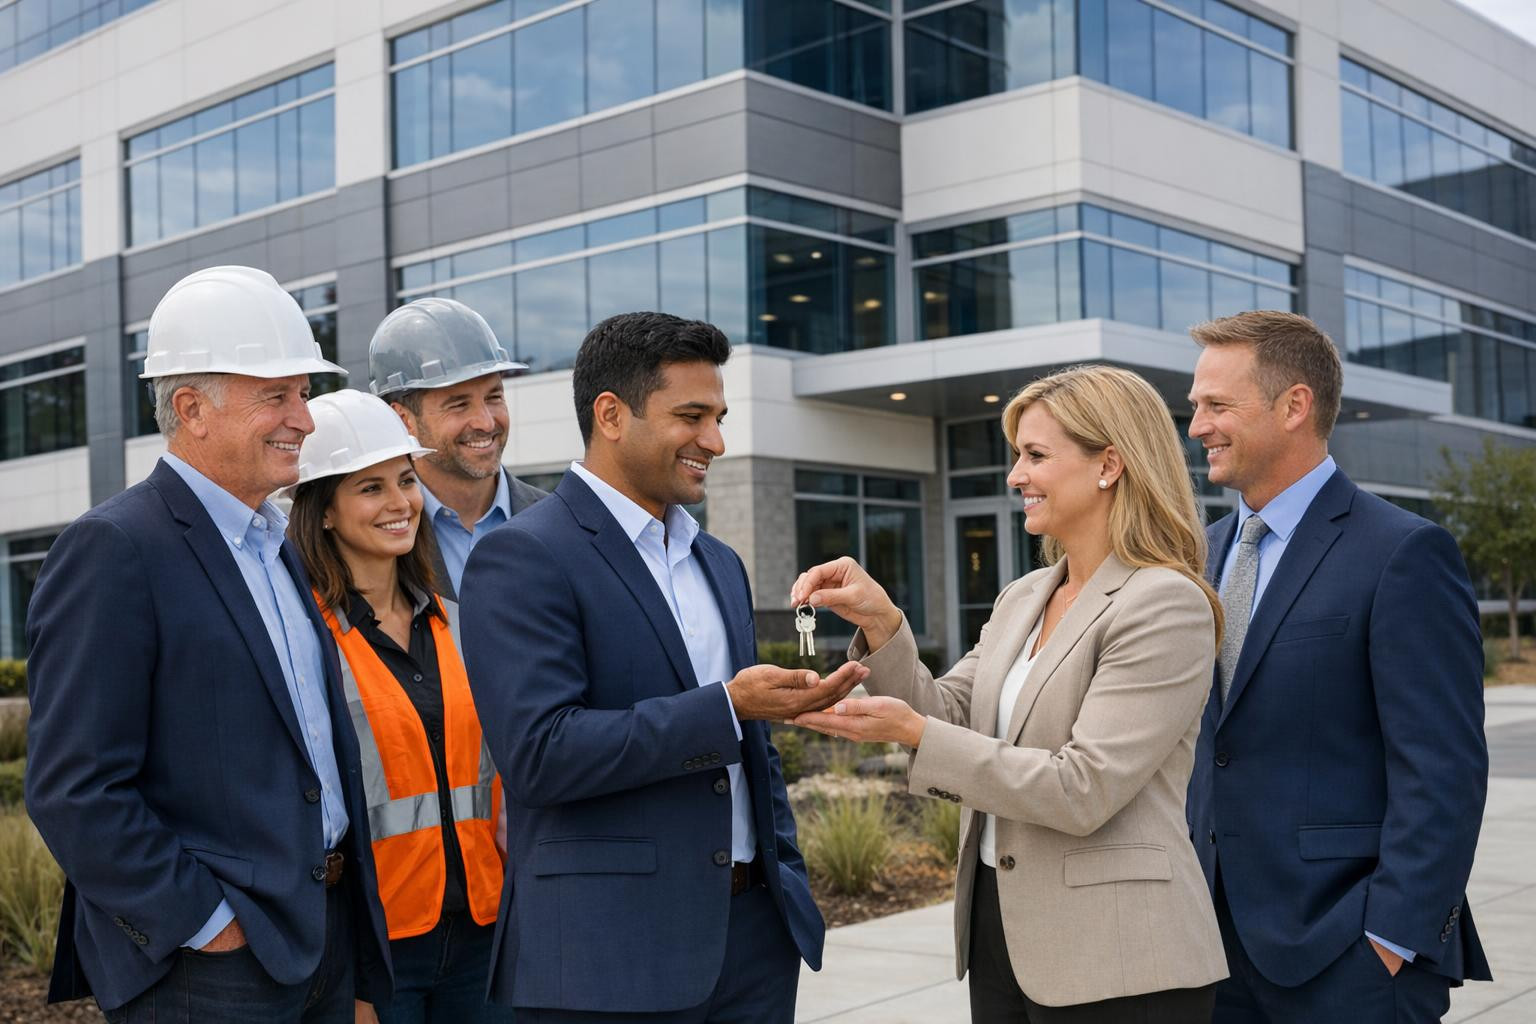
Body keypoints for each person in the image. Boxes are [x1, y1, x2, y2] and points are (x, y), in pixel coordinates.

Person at [458, 312, 869, 1022]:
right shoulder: (523, 556)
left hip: (753, 947)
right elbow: (540, 756)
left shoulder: (720, 562)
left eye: (719, 416)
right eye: (691, 415)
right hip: (609, 961)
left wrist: (785, 886)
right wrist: (727, 707)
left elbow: (754, 760)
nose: (715, 440)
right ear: (611, 415)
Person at [791, 364, 1228, 1023]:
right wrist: (882, 622)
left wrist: (911, 735)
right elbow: (950, 716)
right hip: (1003, 934)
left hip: (1121, 958)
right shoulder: (1024, 596)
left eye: (1034, 455)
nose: (1014, 476)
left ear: (1109, 463)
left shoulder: (1164, 603)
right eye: (1015, 455)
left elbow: (1083, 788)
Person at [24, 266, 391, 1022]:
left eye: (304, 394)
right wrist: (207, 925)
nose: (306, 419)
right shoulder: (116, 548)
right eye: (277, 396)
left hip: (323, 937)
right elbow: (74, 788)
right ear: (190, 407)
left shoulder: (277, 542)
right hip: (211, 970)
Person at [1183, 311, 1491, 1023]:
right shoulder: (1197, 556)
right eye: (1196, 406)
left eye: (1217, 405)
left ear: (1295, 405)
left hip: (1347, 959)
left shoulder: (1404, 553)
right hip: (1209, 949)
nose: (1197, 425)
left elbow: (1442, 770)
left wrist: (1391, 939)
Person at [286, 390, 512, 1024]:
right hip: (376, 951)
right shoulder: (308, 641)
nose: (400, 504)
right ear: (323, 511)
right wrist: (350, 976)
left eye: (407, 481)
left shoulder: (462, 624)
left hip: (485, 931)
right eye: (370, 488)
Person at [368, 297, 545, 600]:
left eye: (493, 397)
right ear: (403, 420)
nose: (486, 422)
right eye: (459, 404)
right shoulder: (373, 537)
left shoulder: (554, 523)